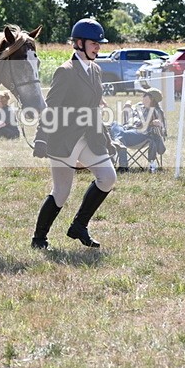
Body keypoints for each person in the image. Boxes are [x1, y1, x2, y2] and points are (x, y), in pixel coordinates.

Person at [31, 18, 117, 250]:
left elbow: (95, 108)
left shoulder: (96, 70)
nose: (98, 47)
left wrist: (107, 138)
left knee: (108, 177)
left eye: (99, 44)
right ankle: (39, 239)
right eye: (94, 43)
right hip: (64, 140)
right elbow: (51, 108)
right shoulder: (65, 71)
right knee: (61, 192)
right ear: (79, 43)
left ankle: (79, 225)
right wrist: (41, 137)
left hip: (89, 137)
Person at [110, 87, 167, 173]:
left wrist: (158, 125)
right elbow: (130, 116)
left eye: (145, 95)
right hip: (128, 130)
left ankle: (122, 164)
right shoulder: (139, 106)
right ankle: (119, 144)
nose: (142, 96)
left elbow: (163, 131)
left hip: (142, 135)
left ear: (151, 99)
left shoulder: (157, 111)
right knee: (114, 124)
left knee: (121, 136)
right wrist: (127, 107)